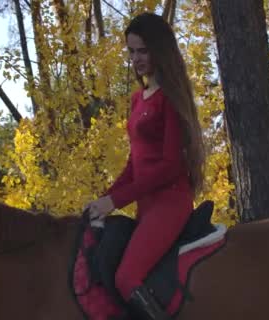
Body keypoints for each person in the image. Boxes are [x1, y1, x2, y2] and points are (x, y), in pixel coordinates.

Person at [83, 12, 206, 320]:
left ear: (159, 51)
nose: (136, 58)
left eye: (143, 50)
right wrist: (105, 199)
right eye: (131, 51)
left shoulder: (170, 98)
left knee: (126, 278)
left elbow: (169, 166)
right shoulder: (139, 99)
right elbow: (134, 164)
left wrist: (115, 201)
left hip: (170, 203)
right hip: (145, 206)